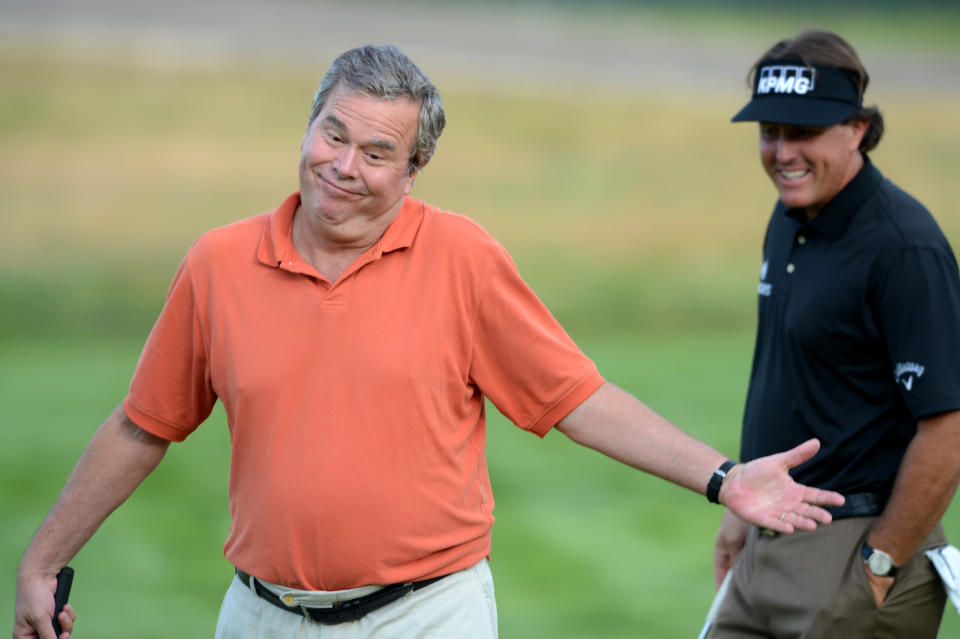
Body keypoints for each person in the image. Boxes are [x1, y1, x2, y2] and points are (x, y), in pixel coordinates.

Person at [15, 44, 843, 639]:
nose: (344, 165)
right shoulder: (217, 263)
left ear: (413, 170)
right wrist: (43, 560)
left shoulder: (464, 259)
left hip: (423, 614)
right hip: (258, 612)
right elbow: (142, 425)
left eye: (378, 152)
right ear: (308, 127)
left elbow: (576, 398)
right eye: (334, 134)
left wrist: (724, 477)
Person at [709, 30, 960, 638]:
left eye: (804, 133)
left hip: (855, 547)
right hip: (768, 533)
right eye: (770, 132)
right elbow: (787, 375)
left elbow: (948, 425)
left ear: (857, 129)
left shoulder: (905, 247)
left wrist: (879, 565)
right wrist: (742, 508)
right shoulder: (791, 216)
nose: (782, 153)